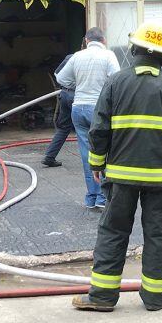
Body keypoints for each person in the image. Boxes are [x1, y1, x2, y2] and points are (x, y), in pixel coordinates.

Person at [71, 22, 162, 313]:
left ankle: (103, 297)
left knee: (113, 232)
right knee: (158, 235)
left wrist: (96, 162)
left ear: (135, 50)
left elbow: (99, 128)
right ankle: (155, 298)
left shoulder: (116, 83)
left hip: (121, 177)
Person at [56, 27, 120, 209]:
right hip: (99, 110)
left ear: (86, 41)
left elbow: (61, 78)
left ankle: (91, 197)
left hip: (78, 109)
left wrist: (78, 84)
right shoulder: (108, 56)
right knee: (105, 150)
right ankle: (103, 198)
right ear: (104, 41)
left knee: (87, 155)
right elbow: (117, 80)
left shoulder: (77, 56)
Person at [41, 50, 78, 168]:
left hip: (65, 95)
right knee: (88, 128)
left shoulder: (70, 57)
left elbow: (57, 74)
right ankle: (95, 163)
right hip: (78, 96)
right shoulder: (90, 60)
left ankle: (49, 157)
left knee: (63, 128)